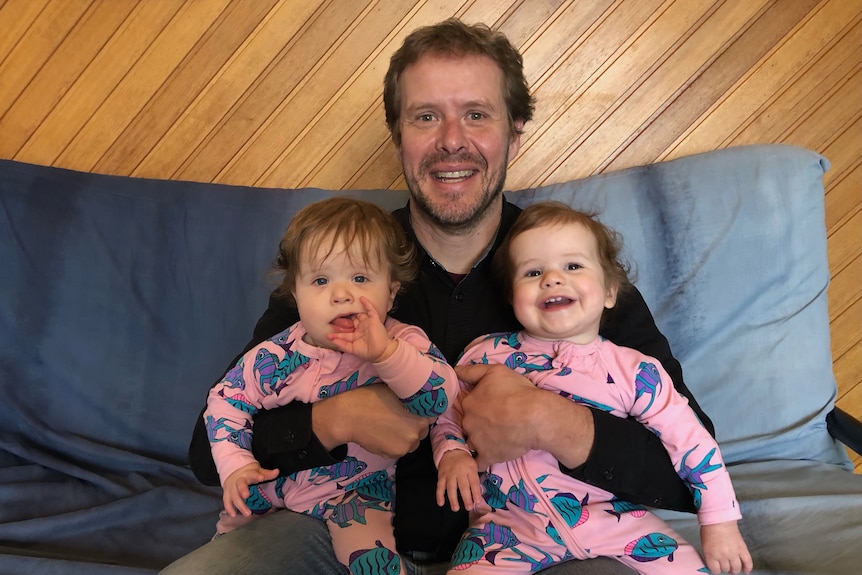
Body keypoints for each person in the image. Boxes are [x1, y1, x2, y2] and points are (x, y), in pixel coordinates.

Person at [163, 18, 714, 575]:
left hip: (545, 546)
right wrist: (334, 419)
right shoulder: (336, 269)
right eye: (426, 117)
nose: (452, 139)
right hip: (332, 532)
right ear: (398, 136)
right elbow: (207, 453)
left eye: (476, 115)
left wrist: (556, 423)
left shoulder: (570, 274)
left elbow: (689, 467)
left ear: (515, 132)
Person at [432, 202, 752, 575]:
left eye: (573, 266)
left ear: (610, 291)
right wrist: (451, 453)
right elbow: (446, 409)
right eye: (533, 271)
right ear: (511, 297)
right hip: (506, 528)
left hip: (617, 521)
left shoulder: (635, 370)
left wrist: (719, 522)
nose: (552, 278)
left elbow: (692, 442)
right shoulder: (486, 353)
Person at [204, 196, 458, 573]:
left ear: (390, 291)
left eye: (359, 278)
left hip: (354, 494)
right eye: (320, 280)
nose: (340, 294)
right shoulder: (273, 356)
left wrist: (386, 354)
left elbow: (439, 399)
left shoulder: (402, 344)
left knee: (374, 563)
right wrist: (236, 466)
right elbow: (224, 403)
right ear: (295, 295)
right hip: (268, 490)